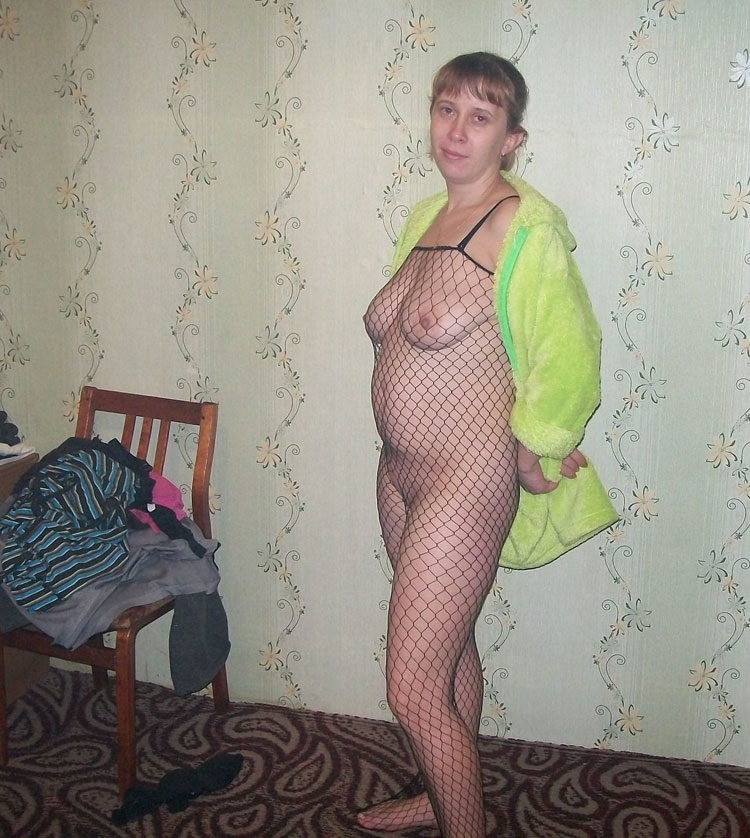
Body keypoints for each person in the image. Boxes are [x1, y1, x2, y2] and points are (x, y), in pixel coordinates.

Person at [359, 52, 617, 837]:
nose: (457, 130)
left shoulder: (523, 228)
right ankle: (437, 798)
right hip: (399, 472)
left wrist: (536, 446)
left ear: (511, 139)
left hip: (463, 480)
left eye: (480, 116)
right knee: (448, 649)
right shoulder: (424, 220)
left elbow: (568, 350)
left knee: (410, 687)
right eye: (446, 109)